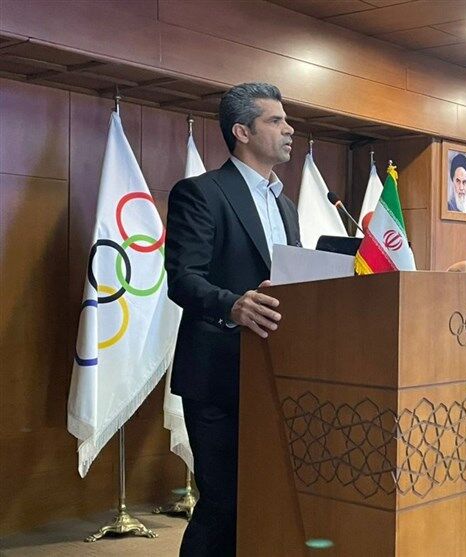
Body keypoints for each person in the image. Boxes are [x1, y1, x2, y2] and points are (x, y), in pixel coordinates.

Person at [166, 83, 300, 557]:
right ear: (242, 131)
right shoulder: (201, 193)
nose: (289, 129)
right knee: (224, 504)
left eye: (287, 120)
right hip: (218, 376)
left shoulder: (285, 204)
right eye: (275, 121)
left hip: (275, 375)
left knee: (265, 501)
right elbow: (183, 278)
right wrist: (232, 305)